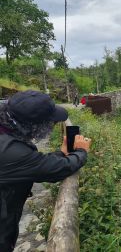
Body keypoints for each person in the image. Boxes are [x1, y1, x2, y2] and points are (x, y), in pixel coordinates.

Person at [0, 90, 91, 251]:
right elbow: (54, 169)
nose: (53, 125)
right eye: (50, 122)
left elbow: (34, 164)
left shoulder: (6, 134)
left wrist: (61, 153)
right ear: (35, 125)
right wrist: (81, 152)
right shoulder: (11, 151)